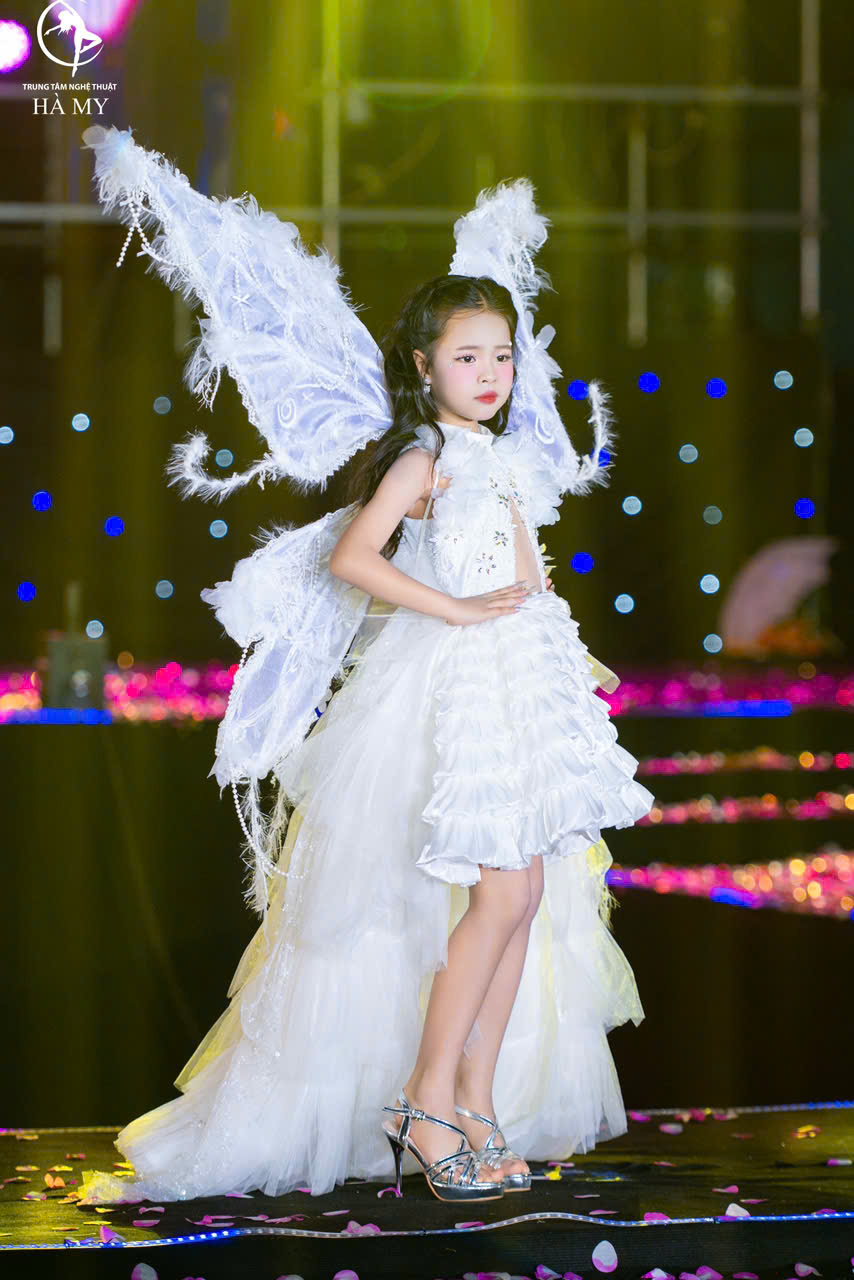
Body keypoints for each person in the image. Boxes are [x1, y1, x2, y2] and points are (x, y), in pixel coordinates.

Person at [76, 125, 655, 1207]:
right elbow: (355, 557)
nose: (490, 374)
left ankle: (474, 1098)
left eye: (501, 355)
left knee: (525, 893)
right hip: (450, 683)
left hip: (516, 676)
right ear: (424, 367)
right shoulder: (422, 455)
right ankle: (426, 1097)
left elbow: (525, 568)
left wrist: (562, 649)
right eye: (467, 357)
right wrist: (455, 610)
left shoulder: (496, 455)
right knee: (495, 893)